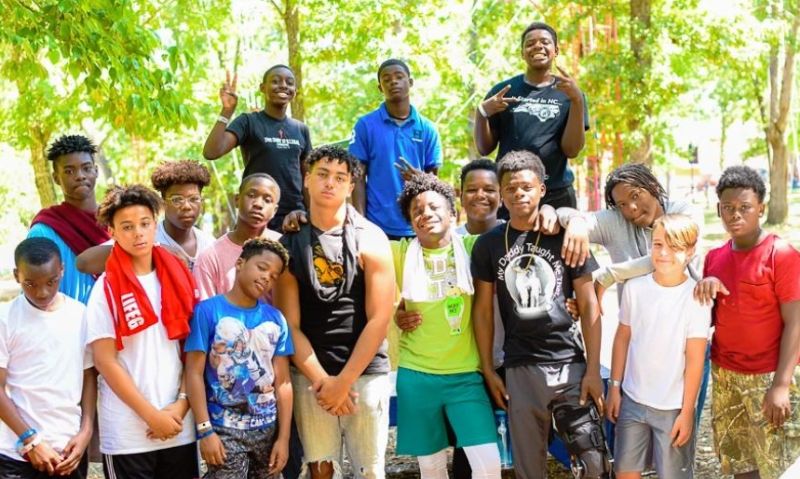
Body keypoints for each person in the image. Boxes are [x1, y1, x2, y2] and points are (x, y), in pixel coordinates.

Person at [470, 150, 609, 479]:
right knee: (529, 467)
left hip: (569, 362)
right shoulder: (489, 245)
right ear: (502, 194)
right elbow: (484, 312)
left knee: (594, 462)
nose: (519, 193)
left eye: (527, 187)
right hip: (520, 368)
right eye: (511, 188)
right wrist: (489, 369)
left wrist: (592, 369)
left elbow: (589, 304)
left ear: (542, 190)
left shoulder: (565, 236)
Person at [273, 145, 394, 479]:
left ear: (350, 187)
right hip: (311, 375)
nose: (330, 183)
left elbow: (379, 318)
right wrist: (324, 381)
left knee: (369, 471)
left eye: (340, 177)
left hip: (365, 373)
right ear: (307, 179)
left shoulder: (372, 239)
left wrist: (345, 381)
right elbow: (289, 325)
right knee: (320, 469)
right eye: (322, 174)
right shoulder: (289, 244)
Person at [85, 185, 198, 479]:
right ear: (112, 232)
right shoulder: (105, 289)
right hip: (127, 434)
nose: (138, 233)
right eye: (127, 226)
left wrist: (182, 403)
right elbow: (105, 361)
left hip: (178, 423)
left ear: (155, 224)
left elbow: (194, 346)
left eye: (145, 224)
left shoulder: (179, 276)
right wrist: (151, 416)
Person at [695, 165, 800, 479]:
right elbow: (710, 318)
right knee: (738, 461)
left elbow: (795, 321)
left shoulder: (780, 254)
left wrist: (781, 384)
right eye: (728, 208)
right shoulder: (714, 258)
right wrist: (705, 290)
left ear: (761, 209)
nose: (735, 215)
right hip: (725, 375)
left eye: (745, 208)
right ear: (718, 209)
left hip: (768, 376)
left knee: (779, 465)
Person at [392, 174, 501, 479]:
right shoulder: (400, 254)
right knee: (432, 469)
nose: (425, 213)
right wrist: (396, 314)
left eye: (434, 207)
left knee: (489, 466)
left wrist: (563, 214)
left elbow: (519, 231)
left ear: (454, 214)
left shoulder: (474, 247)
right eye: (417, 210)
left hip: (466, 375)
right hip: (417, 375)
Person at [606, 214, 710, 479]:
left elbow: (696, 359)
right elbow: (622, 337)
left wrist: (687, 412)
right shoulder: (634, 288)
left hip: (673, 407)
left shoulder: (696, 297)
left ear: (690, 251)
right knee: (625, 471)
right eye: (657, 244)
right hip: (632, 398)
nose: (663, 253)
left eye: (674, 246)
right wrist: (615, 388)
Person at [185, 238, 294, 479]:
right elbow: (193, 372)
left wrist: (283, 439)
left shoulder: (276, 319)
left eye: (274, 275)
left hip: (267, 431)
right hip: (224, 430)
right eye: (262, 268)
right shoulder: (208, 311)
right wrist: (205, 431)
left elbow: (283, 381)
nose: (267, 277)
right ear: (240, 263)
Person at [0, 238, 96, 478]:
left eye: (51, 282)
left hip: (69, 450)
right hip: (16, 452)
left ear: (62, 270)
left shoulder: (80, 315)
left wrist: (85, 432)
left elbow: (88, 376)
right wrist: (30, 441)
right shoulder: (6, 318)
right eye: (30, 284)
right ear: (16, 275)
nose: (42, 292)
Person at [474, 22, 589, 210]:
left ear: (556, 50)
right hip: (512, 192)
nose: (537, 46)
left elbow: (572, 150)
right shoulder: (503, 91)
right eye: (530, 43)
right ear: (522, 53)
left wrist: (577, 101)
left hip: (556, 193)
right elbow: (484, 148)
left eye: (545, 42)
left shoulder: (570, 93)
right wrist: (482, 112)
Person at [203, 65, 311, 231]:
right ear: (263, 88)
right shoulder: (248, 122)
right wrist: (226, 111)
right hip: (257, 216)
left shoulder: (301, 129)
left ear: (295, 90)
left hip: (293, 217)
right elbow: (212, 152)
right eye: (275, 81)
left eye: (289, 83)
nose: (283, 85)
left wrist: (311, 215)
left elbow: (308, 178)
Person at [347, 58, 442, 239]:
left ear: (410, 82)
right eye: (387, 79)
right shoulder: (365, 125)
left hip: (419, 224)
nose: (393, 82)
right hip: (377, 226)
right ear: (380, 87)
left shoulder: (428, 128)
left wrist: (421, 179)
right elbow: (357, 176)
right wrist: (360, 224)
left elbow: (434, 180)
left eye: (399, 77)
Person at [76, 160, 215, 273]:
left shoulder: (210, 244)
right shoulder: (145, 236)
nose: (187, 206)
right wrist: (155, 252)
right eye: (177, 199)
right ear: (163, 202)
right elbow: (84, 262)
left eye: (194, 199)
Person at [28, 134, 110, 303]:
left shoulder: (116, 221)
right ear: (56, 178)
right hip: (67, 323)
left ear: (96, 171)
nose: (80, 176)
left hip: (116, 319)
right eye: (69, 171)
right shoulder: (44, 230)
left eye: (86, 168)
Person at [194, 173, 281, 300]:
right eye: (251, 195)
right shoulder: (211, 257)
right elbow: (206, 312)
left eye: (267, 200)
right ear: (237, 200)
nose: (258, 204)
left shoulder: (284, 248)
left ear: (274, 210)